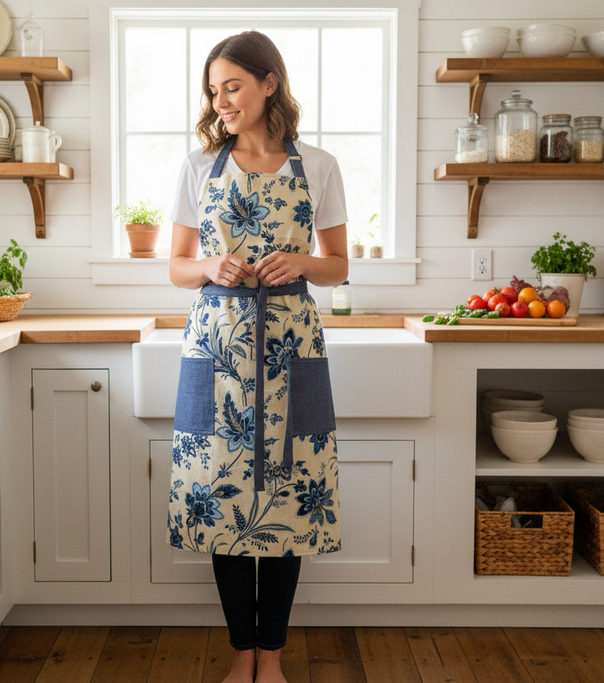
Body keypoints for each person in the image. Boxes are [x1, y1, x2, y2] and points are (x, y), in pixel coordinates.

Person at [167, 30, 348, 683]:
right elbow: (176, 267)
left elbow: (338, 265)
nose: (221, 101)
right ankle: (240, 652)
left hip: (292, 341)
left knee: (288, 506)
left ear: (269, 81)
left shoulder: (318, 166)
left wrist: (301, 261)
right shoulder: (198, 166)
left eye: (232, 86)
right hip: (218, 345)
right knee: (221, 504)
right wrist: (209, 264)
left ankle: (269, 659)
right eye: (213, 91)